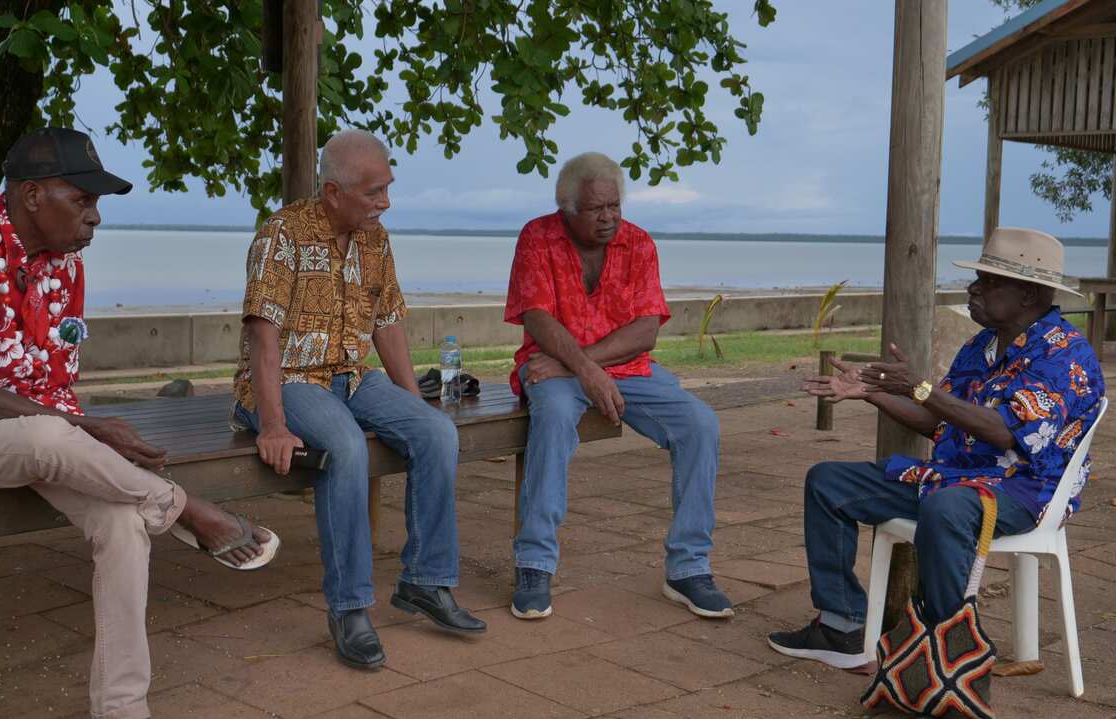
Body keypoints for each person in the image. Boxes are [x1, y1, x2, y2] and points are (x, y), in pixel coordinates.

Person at [0, 128, 280, 719]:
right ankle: (186, 509)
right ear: (31, 196)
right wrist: (89, 433)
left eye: (96, 204)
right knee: (53, 434)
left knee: (123, 522)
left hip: (48, 437)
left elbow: (54, 386)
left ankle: (122, 708)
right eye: (82, 200)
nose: (95, 218)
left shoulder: (65, 269)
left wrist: (90, 435)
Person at [768, 227, 1104, 669]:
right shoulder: (981, 346)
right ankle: (842, 626)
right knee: (829, 482)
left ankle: (948, 657)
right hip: (955, 479)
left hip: (1025, 491)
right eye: (978, 278)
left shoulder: (1063, 354)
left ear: (1027, 294)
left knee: (947, 508)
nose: (973, 289)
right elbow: (936, 421)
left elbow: (1005, 432)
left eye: (988, 281)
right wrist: (873, 394)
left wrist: (920, 387)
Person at [230, 129, 486, 670]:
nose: (385, 203)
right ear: (332, 193)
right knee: (345, 447)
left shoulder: (375, 238)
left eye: (387, 189)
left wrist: (416, 406)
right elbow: (263, 336)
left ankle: (426, 581)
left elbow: (388, 324)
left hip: (350, 375)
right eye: (374, 192)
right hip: (289, 381)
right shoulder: (282, 235)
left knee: (438, 432)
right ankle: (349, 608)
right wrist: (272, 425)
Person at [502, 151, 733, 621]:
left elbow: (646, 330)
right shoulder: (537, 236)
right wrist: (582, 371)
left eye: (614, 206)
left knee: (700, 425)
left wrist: (583, 367)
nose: (608, 218)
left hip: (615, 368)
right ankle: (534, 563)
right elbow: (537, 316)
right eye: (596, 209)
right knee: (553, 418)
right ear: (567, 209)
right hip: (550, 367)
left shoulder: (640, 244)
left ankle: (688, 568)